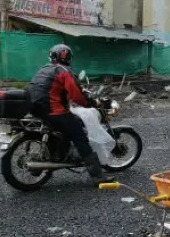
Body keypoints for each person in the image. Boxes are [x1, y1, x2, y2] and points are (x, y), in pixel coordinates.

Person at [28, 44, 114, 185]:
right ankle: (98, 177)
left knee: (66, 126)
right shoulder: (64, 71)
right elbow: (77, 96)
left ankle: (59, 152)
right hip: (53, 110)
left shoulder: (44, 69)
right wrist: (92, 103)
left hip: (35, 109)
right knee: (79, 135)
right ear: (67, 57)